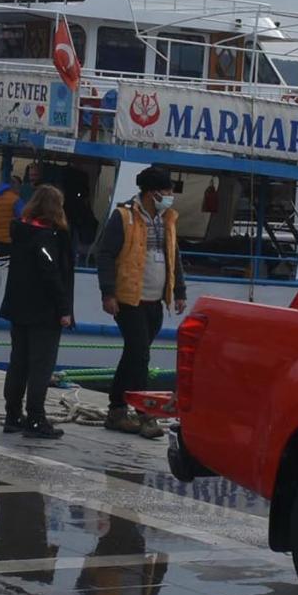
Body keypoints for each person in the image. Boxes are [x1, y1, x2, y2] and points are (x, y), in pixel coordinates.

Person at [90, 166, 185, 439]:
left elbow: (174, 256)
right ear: (152, 193)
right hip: (129, 300)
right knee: (140, 355)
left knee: (133, 355)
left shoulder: (167, 219)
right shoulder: (124, 217)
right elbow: (105, 255)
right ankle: (146, 414)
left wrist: (179, 291)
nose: (170, 196)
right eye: (166, 191)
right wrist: (108, 292)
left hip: (155, 301)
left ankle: (117, 410)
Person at [0, 184, 73, 439]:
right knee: (40, 366)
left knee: (18, 363)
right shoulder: (47, 237)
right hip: (43, 312)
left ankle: (12, 415)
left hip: (18, 308)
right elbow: (51, 274)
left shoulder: (21, 231)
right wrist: (64, 309)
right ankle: (35, 418)